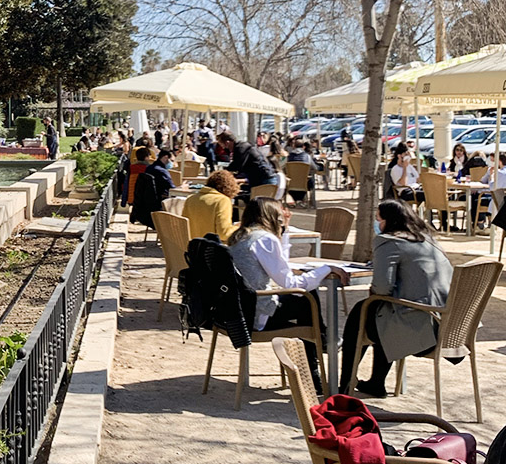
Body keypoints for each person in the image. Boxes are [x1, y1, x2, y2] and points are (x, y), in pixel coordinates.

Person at [228, 198, 349, 392]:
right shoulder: (265, 240)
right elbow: (289, 282)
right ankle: (319, 353)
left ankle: (321, 345)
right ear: (271, 216)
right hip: (257, 314)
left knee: (305, 303)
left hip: (239, 312)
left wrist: (284, 233)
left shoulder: (241, 236)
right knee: (307, 297)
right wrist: (326, 269)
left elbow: (279, 264)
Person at [339, 199, 452, 397]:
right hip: (447, 326)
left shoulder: (388, 241)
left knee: (363, 311)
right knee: (379, 311)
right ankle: (376, 382)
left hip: (420, 327)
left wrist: (375, 292)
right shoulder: (428, 240)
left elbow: (382, 287)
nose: (377, 224)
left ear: (389, 221)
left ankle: (345, 383)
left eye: (378, 219)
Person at [182, 169, 240, 242]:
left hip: (193, 248)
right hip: (213, 249)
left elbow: (184, 227)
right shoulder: (222, 201)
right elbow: (224, 234)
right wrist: (238, 227)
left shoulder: (191, 199)